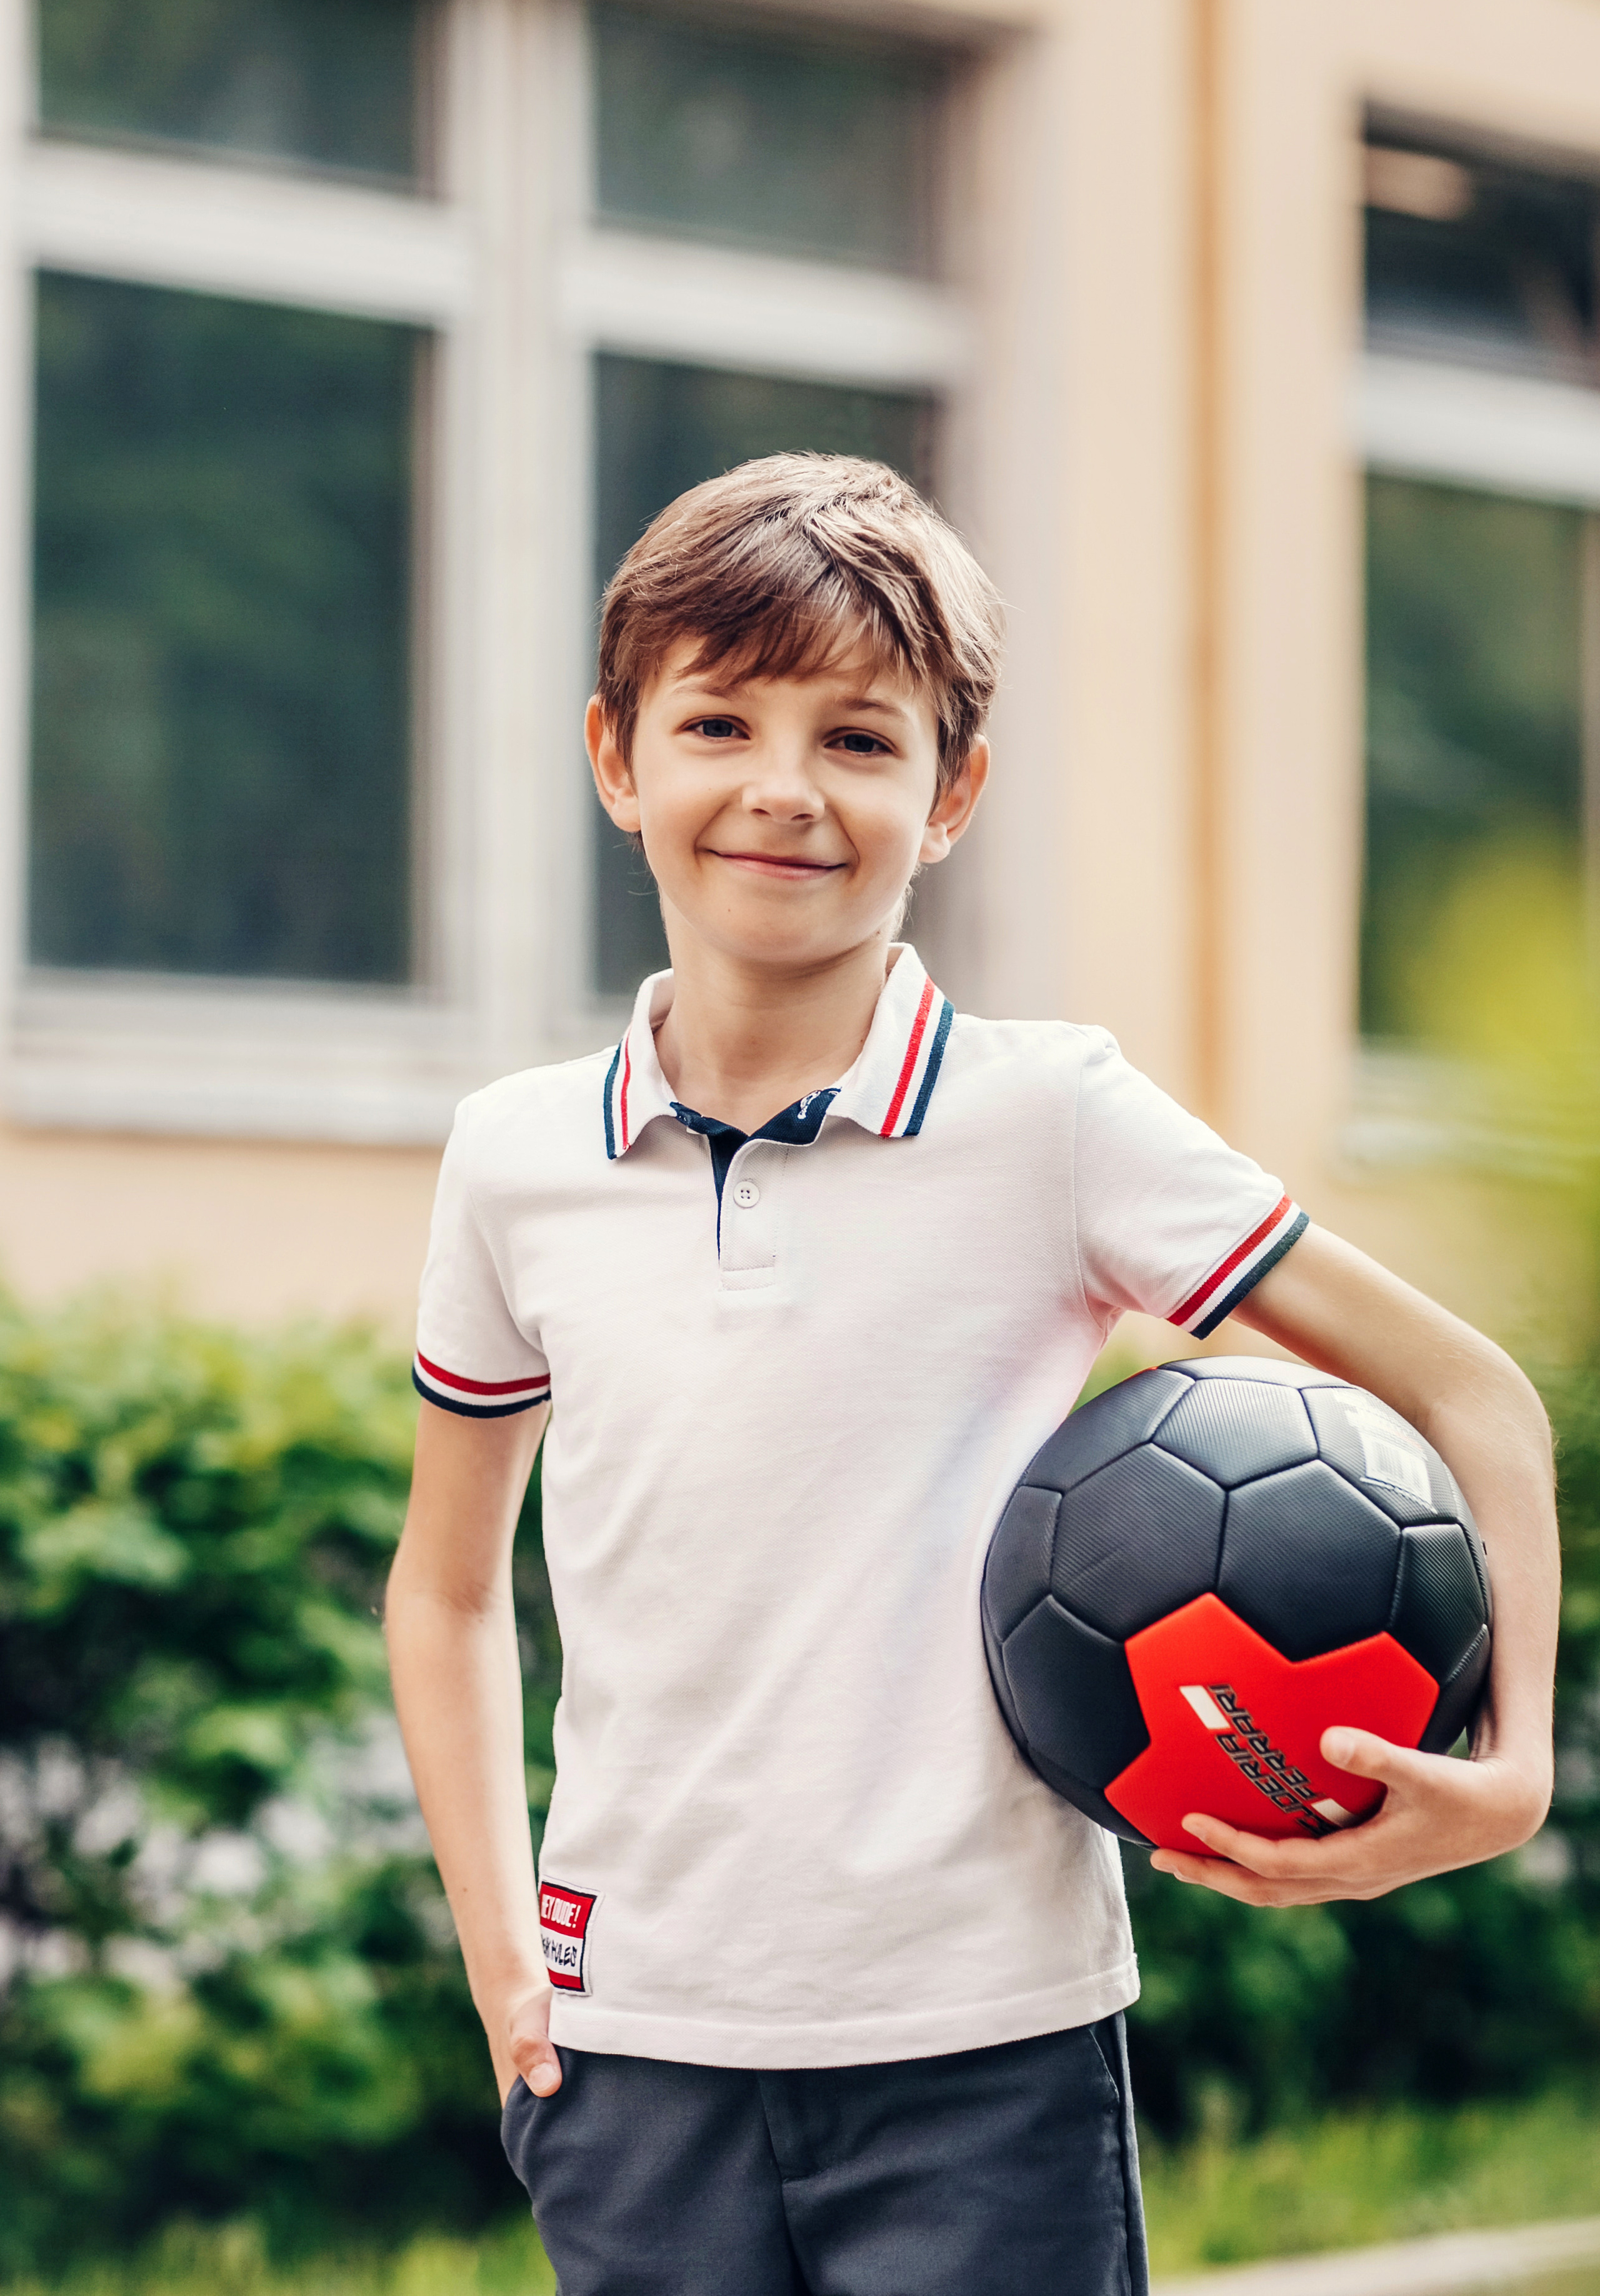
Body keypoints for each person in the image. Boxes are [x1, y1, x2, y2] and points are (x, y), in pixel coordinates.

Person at [385, 454, 1559, 2296]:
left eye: (861, 739)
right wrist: (499, 1950)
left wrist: (1510, 1768)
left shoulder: (1053, 1120)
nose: (784, 788)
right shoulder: (515, 1155)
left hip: (983, 2058)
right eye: (719, 721)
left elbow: (1476, 1396)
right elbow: (449, 1586)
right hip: (627, 2063)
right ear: (617, 757)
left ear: (955, 794)